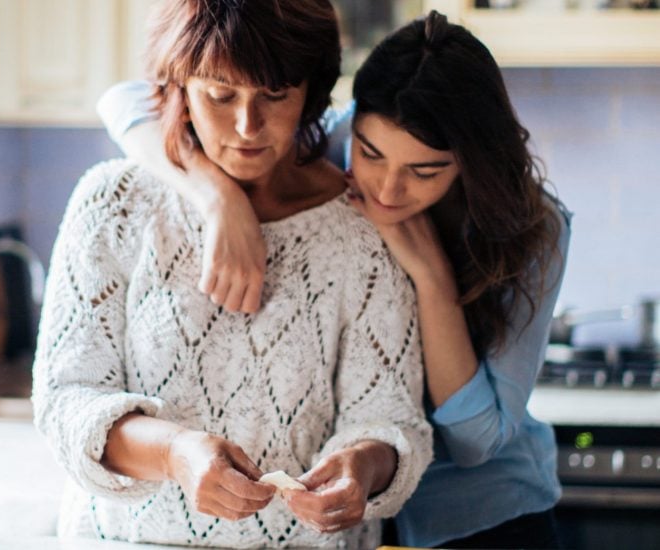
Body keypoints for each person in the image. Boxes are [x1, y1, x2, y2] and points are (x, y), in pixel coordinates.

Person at [97, 9, 570, 550]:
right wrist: (217, 199)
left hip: (478, 517)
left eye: (425, 171)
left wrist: (432, 280)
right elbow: (128, 101)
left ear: (469, 163)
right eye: (370, 155)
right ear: (353, 123)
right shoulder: (330, 140)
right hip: (356, 523)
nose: (388, 189)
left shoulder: (535, 228)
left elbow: (475, 441)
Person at [32, 1, 433, 549]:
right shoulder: (114, 204)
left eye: (276, 95)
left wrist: (362, 467)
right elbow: (66, 400)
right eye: (221, 95)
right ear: (179, 87)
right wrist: (174, 454)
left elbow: (393, 418)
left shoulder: (363, 228)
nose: (248, 126)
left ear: (312, 92)